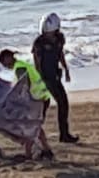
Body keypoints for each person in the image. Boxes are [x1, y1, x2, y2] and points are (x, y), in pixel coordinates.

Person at [0, 49, 53, 161]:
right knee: (35, 125)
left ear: (8, 58)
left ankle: (29, 154)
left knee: (29, 125)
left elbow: (23, 86)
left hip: (37, 99)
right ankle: (46, 149)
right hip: (40, 97)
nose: (4, 65)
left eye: (3, 62)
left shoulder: (20, 68)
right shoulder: (21, 65)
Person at [33, 12, 77, 143]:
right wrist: (38, 79)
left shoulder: (59, 39)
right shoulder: (39, 42)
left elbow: (60, 54)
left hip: (54, 76)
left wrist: (66, 68)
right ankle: (35, 133)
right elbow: (36, 61)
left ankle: (64, 134)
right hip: (45, 77)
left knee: (63, 103)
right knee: (44, 106)